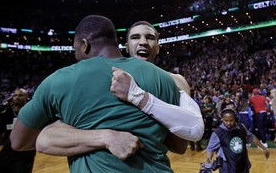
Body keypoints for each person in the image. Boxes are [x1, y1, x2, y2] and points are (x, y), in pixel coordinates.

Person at [10, 15, 201, 172]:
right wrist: (106, 136)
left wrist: (61, 128)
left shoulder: (60, 80)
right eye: (135, 37)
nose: (143, 42)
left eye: (150, 37)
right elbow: (179, 143)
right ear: (123, 45)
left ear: (84, 45)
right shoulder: (166, 81)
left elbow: (19, 141)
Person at [205, 108, 269, 173]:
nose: (228, 123)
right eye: (226, 120)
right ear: (222, 119)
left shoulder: (241, 127)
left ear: (235, 118)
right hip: (227, 166)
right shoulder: (218, 132)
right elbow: (210, 148)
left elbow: (251, 137)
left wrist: (263, 148)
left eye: (231, 120)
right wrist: (208, 161)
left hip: (242, 163)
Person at [0, 88, 36, 173]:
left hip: (24, 155)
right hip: (6, 153)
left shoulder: (32, 113)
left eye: (20, 95)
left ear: (27, 97)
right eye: (15, 95)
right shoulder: (6, 113)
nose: (17, 97)